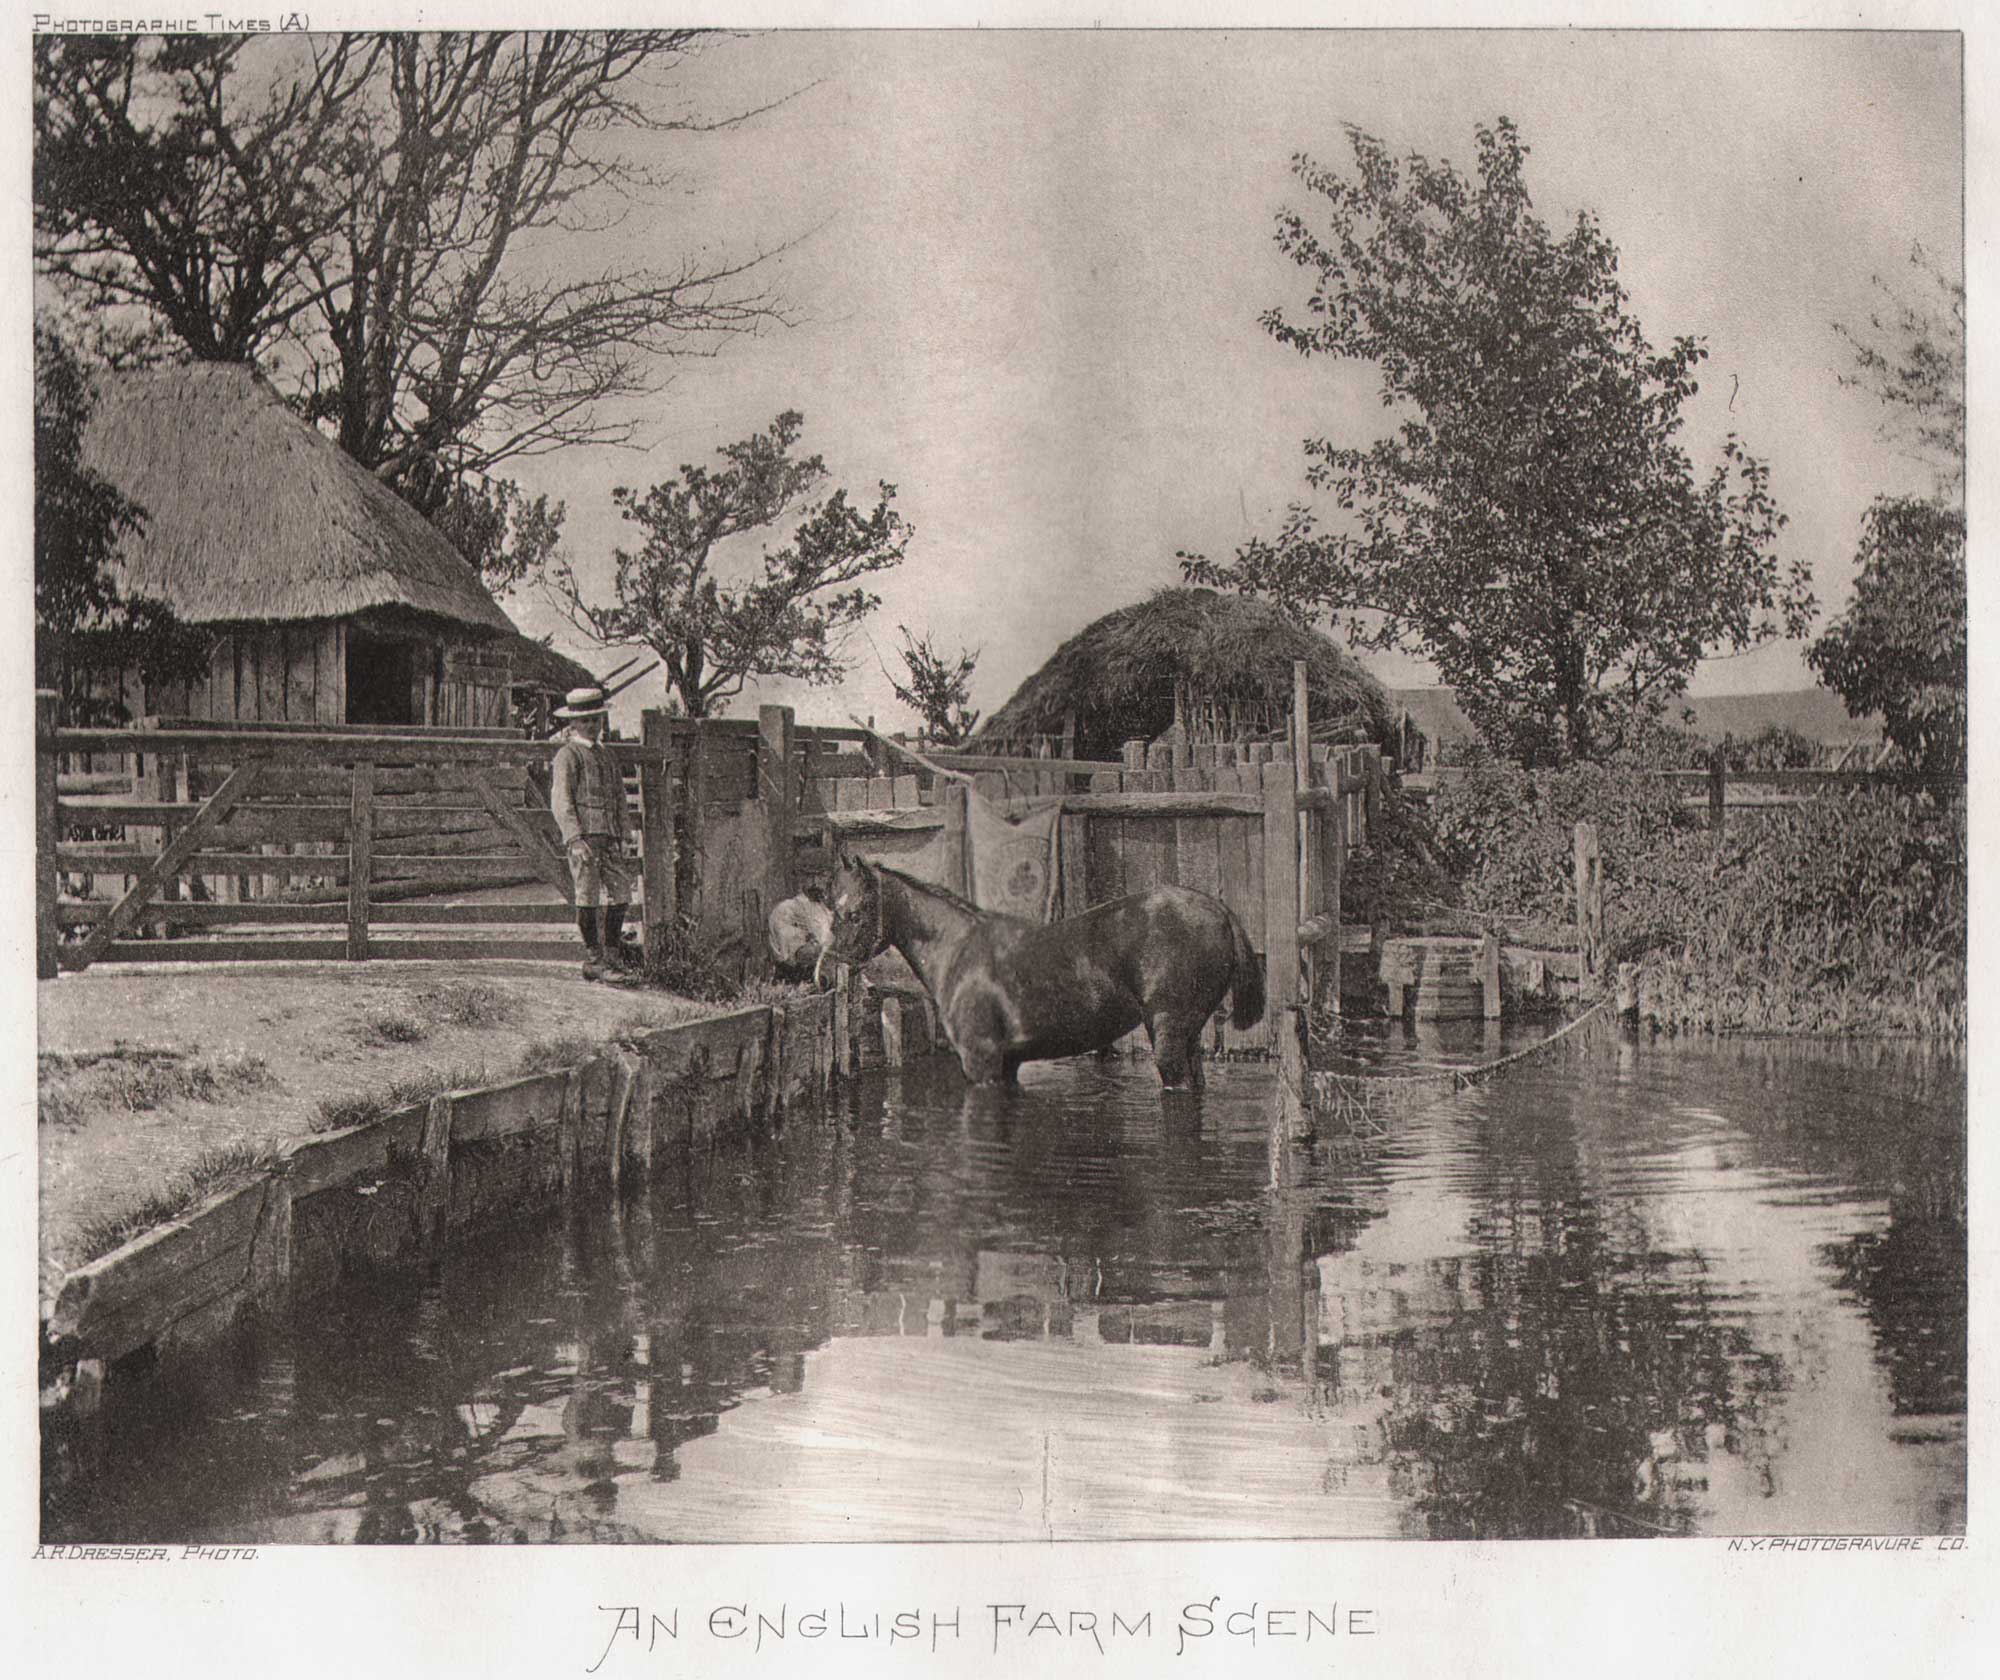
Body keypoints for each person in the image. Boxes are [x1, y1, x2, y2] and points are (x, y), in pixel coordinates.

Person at [549, 686, 641, 985]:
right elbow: (561, 800)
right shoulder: (567, 755)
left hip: (610, 837)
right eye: (585, 720)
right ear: (573, 723)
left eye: (596, 719)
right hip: (585, 839)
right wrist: (574, 838)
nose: (591, 725)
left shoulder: (607, 755)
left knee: (622, 892)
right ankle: (594, 960)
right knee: (587, 896)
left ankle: (612, 955)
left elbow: (619, 797)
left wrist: (625, 834)